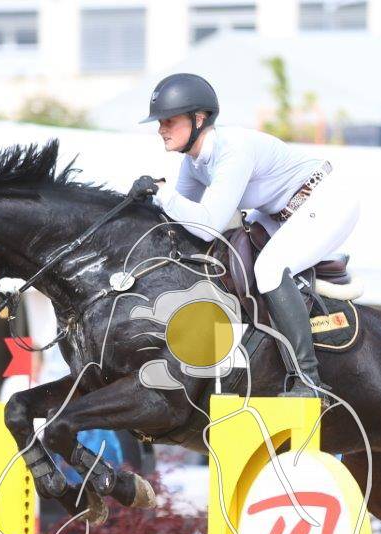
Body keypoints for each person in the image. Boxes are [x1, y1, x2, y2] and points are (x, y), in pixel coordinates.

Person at [133, 73, 360, 399]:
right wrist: (147, 203)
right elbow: (182, 221)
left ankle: (309, 381)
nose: (160, 129)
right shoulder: (193, 164)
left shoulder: (233, 149)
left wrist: (163, 194)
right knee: (228, 257)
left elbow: (208, 224)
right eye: (159, 122)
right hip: (280, 214)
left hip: (326, 201)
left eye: (168, 120)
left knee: (269, 269)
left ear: (199, 119)